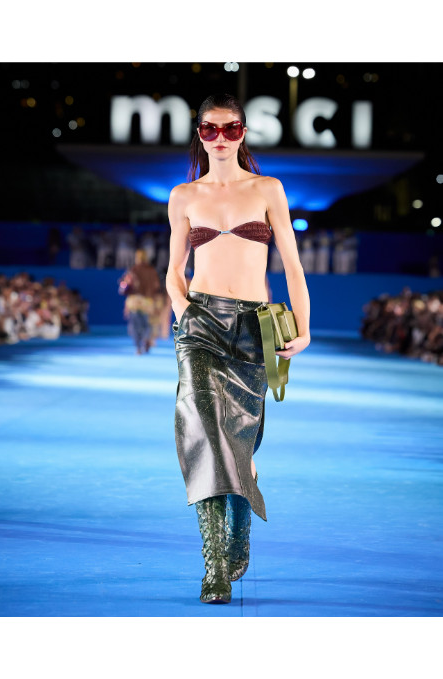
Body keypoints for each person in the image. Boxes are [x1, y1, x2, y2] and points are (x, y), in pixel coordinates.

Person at [166, 93, 311, 605]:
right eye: (211, 129)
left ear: (243, 133)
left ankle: (241, 520)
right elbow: (173, 272)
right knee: (204, 435)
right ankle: (215, 568)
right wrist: (184, 311)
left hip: (253, 328)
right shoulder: (183, 196)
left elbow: (292, 265)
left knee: (241, 443)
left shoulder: (268, 189)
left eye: (231, 128)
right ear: (199, 134)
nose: (221, 138)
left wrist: (304, 328)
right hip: (201, 326)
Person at [123, 249, 161, 354]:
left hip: (134, 301)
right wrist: (155, 303)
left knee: (135, 325)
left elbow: (127, 287)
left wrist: (126, 306)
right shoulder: (152, 271)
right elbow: (156, 287)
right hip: (147, 302)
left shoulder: (133, 270)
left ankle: (138, 347)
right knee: (147, 324)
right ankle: (146, 338)